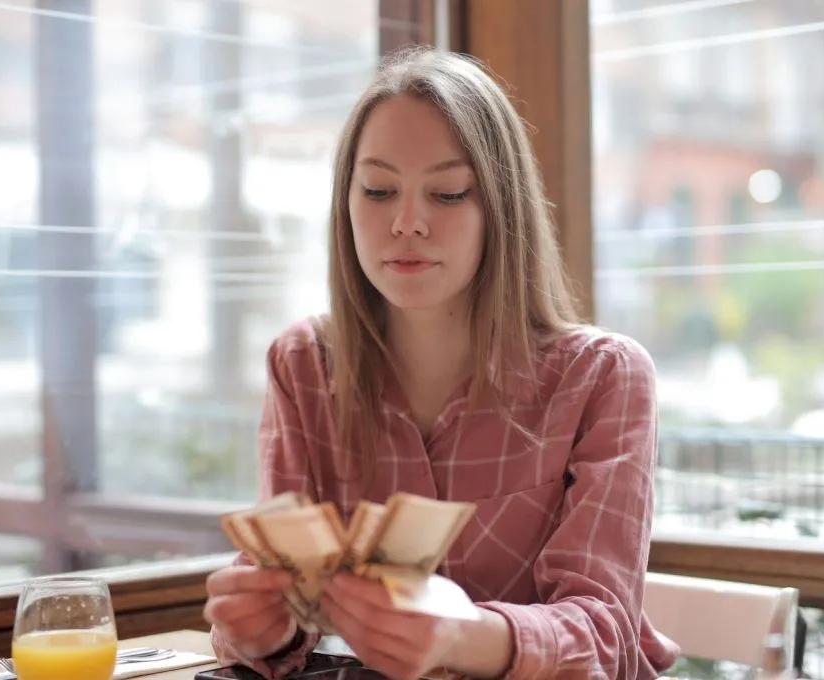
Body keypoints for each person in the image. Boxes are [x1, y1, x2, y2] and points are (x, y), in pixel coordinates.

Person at [203, 46, 680, 680]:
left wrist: (464, 637)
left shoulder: (602, 377)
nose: (407, 222)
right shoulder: (303, 366)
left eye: (449, 194)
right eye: (377, 190)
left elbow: (604, 634)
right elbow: (283, 606)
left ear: (500, 211)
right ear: (345, 204)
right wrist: (257, 628)